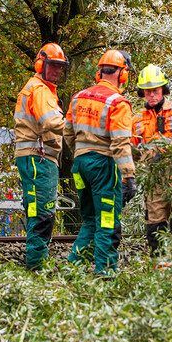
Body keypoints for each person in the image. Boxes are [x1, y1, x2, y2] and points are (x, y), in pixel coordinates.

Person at [64, 49, 137, 276]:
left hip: (80, 165)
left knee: (89, 220)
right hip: (103, 165)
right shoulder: (118, 103)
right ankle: (105, 272)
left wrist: (82, 152)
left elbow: (67, 133)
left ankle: (73, 267)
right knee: (106, 219)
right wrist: (129, 175)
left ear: (100, 72)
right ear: (122, 74)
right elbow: (120, 143)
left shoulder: (79, 97)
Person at [132, 64, 172, 264]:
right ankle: (160, 271)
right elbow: (131, 148)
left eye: (155, 90)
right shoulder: (136, 119)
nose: (151, 95)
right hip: (154, 180)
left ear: (163, 89)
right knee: (155, 229)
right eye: (147, 91)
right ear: (142, 92)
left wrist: (164, 150)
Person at [14, 42, 69, 269]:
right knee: (43, 212)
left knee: (37, 209)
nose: (56, 71)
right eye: (53, 66)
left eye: (59, 67)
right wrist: (74, 126)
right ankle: (36, 263)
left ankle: (35, 260)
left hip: (34, 157)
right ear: (41, 64)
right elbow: (50, 121)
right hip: (39, 157)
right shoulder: (40, 91)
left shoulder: (39, 89)